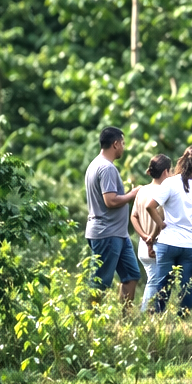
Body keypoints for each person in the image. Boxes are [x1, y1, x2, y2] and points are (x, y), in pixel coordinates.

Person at [84, 126, 144, 304]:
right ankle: (90, 321)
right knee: (100, 282)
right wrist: (132, 195)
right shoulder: (106, 168)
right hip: (107, 233)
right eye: (123, 143)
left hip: (118, 233)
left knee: (132, 275)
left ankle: (124, 322)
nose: (124, 147)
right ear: (116, 144)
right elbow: (110, 200)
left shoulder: (95, 164)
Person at [144, 146, 192, 315]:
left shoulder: (170, 183)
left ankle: (157, 317)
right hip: (190, 245)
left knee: (163, 284)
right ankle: (182, 317)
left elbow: (150, 206)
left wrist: (161, 223)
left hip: (168, 243)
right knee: (188, 285)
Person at [130, 155, 172, 291]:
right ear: (166, 172)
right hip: (156, 246)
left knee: (155, 282)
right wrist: (151, 240)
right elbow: (161, 218)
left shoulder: (142, 190)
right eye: (171, 171)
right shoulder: (163, 192)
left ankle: (152, 312)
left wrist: (144, 236)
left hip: (143, 246)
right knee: (155, 284)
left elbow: (133, 217)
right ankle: (145, 312)